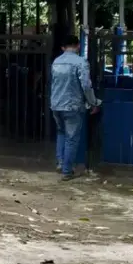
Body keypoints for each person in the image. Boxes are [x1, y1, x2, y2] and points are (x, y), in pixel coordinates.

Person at [50, 34, 101, 180]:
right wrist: (93, 102)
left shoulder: (56, 62)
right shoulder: (80, 62)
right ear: (78, 45)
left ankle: (60, 163)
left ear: (62, 47)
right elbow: (86, 85)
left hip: (56, 104)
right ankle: (67, 171)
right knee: (71, 138)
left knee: (61, 133)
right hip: (72, 106)